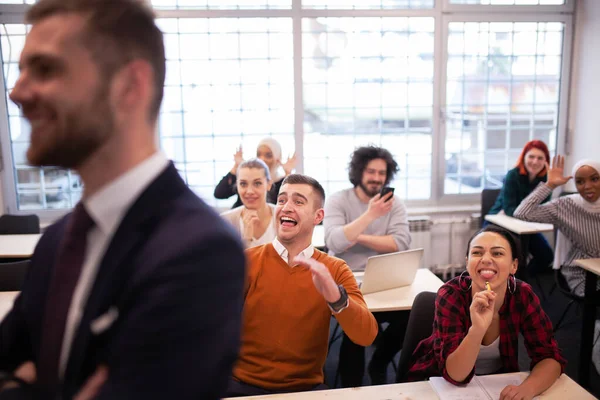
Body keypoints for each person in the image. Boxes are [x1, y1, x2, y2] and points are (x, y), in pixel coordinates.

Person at [0, 1, 246, 399]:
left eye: (45, 69)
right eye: (21, 70)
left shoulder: (198, 251)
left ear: (130, 86)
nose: (17, 92)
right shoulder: (60, 239)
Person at [226, 174, 378, 397]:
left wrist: (336, 298)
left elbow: (367, 335)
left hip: (305, 389)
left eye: (298, 201)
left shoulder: (335, 269)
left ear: (318, 216)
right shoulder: (247, 261)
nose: (286, 207)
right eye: (281, 200)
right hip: (243, 385)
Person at [408, 225, 565, 400]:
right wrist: (477, 330)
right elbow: (455, 375)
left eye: (497, 253)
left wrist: (529, 388)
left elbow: (550, 357)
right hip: (440, 384)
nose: (486, 259)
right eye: (477, 253)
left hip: (496, 384)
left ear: (514, 265)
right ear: (467, 262)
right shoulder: (451, 294)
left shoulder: (522, 294)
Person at [323, 146, 411, 386]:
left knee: (414, 314)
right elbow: (333, 241)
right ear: (359, 172)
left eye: (382, 173)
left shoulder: (395, 204)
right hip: (346, 280)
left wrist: (356, 237)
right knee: (356, 323)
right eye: (371, 171)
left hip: (385, 281)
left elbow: (400, 242)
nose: (376, 178)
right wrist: (370, 216)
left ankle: (379, 362)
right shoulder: (338, 200)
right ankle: (352, 387)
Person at [514, 155, 600, 296]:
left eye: (595, 179)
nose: (588, 186)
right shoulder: (565, 205)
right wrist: (550, 185)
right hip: (581, 272)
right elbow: (522, 213)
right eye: (580, 182)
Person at [487, 140, 553, 276]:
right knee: (514, 257)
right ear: (524, 157)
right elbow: (509, 208)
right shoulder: (513, 175)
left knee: (546, 256)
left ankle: (521, 282)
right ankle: (513, 281)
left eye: (540, 158)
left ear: (546, 161)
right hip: (499, 222)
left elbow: (543, 208)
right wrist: (530, 213)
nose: (535, 161)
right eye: (531, 157)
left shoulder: (547, 180)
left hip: (525, 226)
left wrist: (528, 214)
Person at [214, 138, 297, 208]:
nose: (262, 159)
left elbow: (291, 204)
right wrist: (236, 167)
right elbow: (219, 194)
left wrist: (288, 173)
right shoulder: (246, 176)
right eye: (259, 154)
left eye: (268, 155)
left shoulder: (283, 181)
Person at [221, 158, 276, 248]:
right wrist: (246, 238)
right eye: (243, 184)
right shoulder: (225, 221)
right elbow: (225, 261)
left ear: (269, 184)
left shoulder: (282, 217)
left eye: (257, 183)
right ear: (237, 185)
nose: (250, 191)